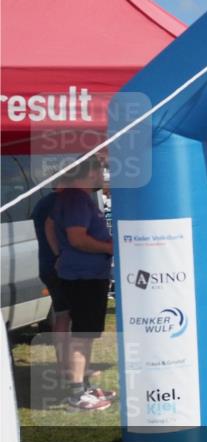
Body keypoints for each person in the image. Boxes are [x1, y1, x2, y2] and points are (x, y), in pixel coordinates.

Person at [47, 159, 116, 411]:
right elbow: (77, 238)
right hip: (84, 276)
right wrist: (110, 247)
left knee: (84, 333)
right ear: (89, 172)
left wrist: (58, 255)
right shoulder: (76, 198)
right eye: (100, 169)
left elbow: (50, 225)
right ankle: (77, 394)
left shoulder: (72, 198)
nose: (103, 174)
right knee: (82, 335)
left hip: (83, 274)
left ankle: (84, 388)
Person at [31, 186, 71, 381]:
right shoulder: (63, 203)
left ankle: (63, 366)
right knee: (69, 318)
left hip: (47, 266)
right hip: (61, 266)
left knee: (62, 315)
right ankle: (70, 368)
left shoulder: (42, 202)